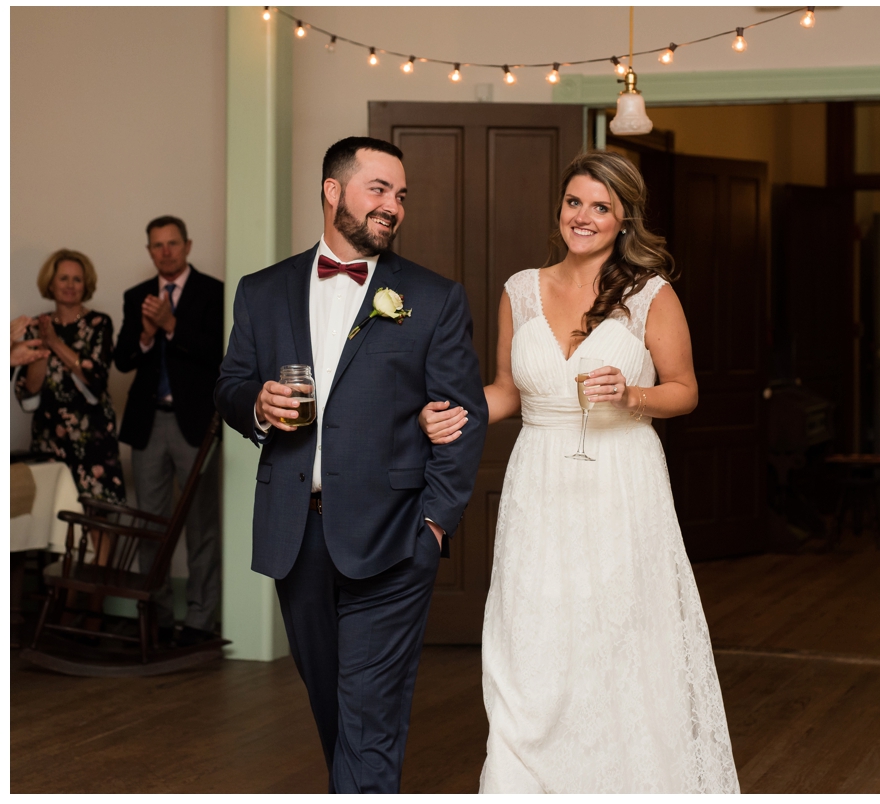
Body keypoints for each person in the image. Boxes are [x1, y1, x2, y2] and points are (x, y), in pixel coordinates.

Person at [417, 150, 739, 793]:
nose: (583, 217)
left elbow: (685, 390)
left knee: (620, 633)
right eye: (573, 202)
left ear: (624, 220)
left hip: (622, 480)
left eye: (600, 207)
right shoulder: (520, 288)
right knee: (531, 634)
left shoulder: (651, 294)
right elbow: (509, 389)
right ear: (559, 208)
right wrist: (451, 413)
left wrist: (631, 396)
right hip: (538, 480)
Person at [214, 136, 487, 793]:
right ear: (334, 191)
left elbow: (462, 418)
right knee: (332, 701)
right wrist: (255, 402)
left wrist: (435, 525)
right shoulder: (261, 291)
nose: (392, 206)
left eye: (400, 195)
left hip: (396, 535)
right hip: (294, 533)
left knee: (371, 709)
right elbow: (229, 386)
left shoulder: (433, 297)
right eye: (378, 190)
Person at [113, 216, 224, 647]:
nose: (165, 252)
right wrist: (145, 332)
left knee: (201, 525)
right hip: (148, 424)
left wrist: (172, 326)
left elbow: (219, 355)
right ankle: (154, 616)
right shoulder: (135, 296)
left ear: (188, 245)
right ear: (149, 251)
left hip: (195, 424)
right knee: (150, 524)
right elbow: (123, 361)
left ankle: (199, 620)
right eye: (157, 246)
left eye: (172, 243)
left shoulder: (213, 291)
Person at [14, 250, 125, 504]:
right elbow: (28, 395)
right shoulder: (36, 327)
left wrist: (55, 342)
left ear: (86, 284)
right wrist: (43, 347)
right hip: (49, 437)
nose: (70, 285)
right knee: (53, 520)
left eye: (77, 279)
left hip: (92, 436)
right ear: (50, 283)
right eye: (63, 278)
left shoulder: (99, 324)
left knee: (97, 515)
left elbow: (95, 381)